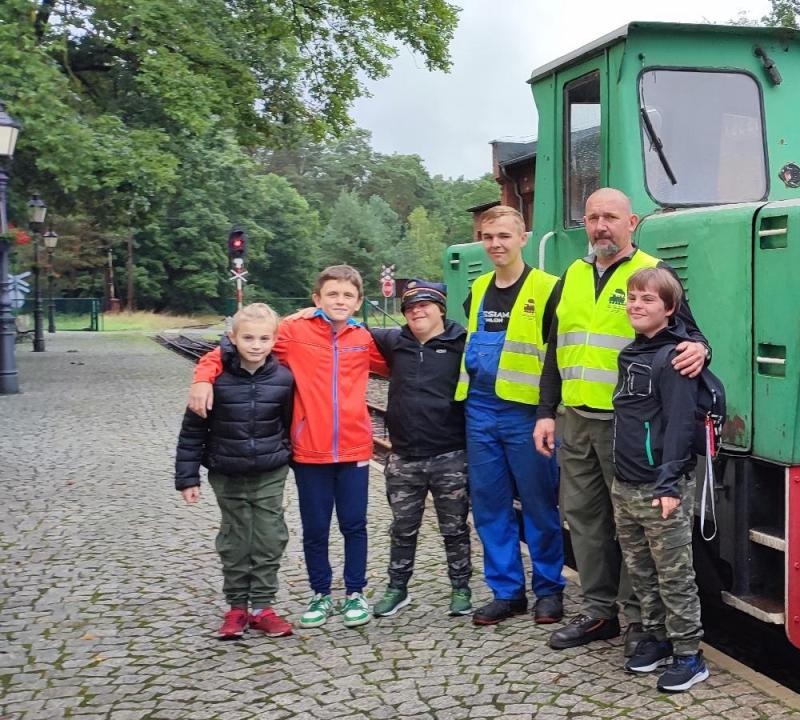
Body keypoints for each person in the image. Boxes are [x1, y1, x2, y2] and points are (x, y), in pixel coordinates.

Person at [534, 187, 709, 653]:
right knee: (585, 519)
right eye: (592, 217)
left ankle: (639, 620)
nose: (599, 226)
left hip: (629, 426)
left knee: (635, 524)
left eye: (610, 217)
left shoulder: (652, 273)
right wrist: (545, 412)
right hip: (576, 420)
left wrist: (701, 348)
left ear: (632, 223)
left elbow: (690, 335)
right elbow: (556, 349)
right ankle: (597, 612)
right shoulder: (569, 275)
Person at [188, 265, 389, 629]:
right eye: (332, 294)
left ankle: (355, 593)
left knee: (354, 525)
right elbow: (234, 346)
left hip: (355, 449)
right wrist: (203, 379)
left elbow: (399, 364)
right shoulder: (294, 333)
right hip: (308, 450)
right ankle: (320, 595)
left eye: (347, 295)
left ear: (358, 302)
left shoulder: (364, 339)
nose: (339, 301)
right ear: (317, 299)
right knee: (315, 527)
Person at [459, 205, 566, 626]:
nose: (495, 244)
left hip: (526, 415)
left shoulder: (547, 289)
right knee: (490, 506)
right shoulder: (479, 289)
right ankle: (507, 592)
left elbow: (554, 358)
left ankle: (548, 591)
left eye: (504, 235)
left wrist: (546, 413)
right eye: (487, 237)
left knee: (540, 505)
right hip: (481, 410)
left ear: (524, 238)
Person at [611, 268, 711, 692]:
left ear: (670, 310)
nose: (636, 305)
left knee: (674, 574)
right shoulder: (629, 353)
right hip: (626, 483)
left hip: (660, 487)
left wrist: (669, 483)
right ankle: (656, 636)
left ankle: (690, 654)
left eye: (648, 300)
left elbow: (679, 428)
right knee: (641, 570)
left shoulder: (674, 360)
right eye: (632, 297)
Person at [174, 303, 297, 640]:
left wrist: (291, 459)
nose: (256, 345)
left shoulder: (284, 379)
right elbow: (192, 431)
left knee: (270, 536)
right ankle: (236, 607)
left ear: (274, 340)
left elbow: (288, 424)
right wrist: (187, 477)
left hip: (270, 471)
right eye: (248, 338)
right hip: (226, 471)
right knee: (236, 538)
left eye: (264, 338)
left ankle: (262, 606)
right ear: (232, 338)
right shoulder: (215, 380)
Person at [366, 280, 475, 618]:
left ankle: (461, 588)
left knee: (455, 528)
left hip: (450, 456)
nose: (417, 311)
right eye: (410, 307)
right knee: (401, 528)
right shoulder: (393, 341)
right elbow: (344, 331)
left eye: (425, 304)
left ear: (441, 308)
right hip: (404, 458)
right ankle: (398, 588)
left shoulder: (463, 343)